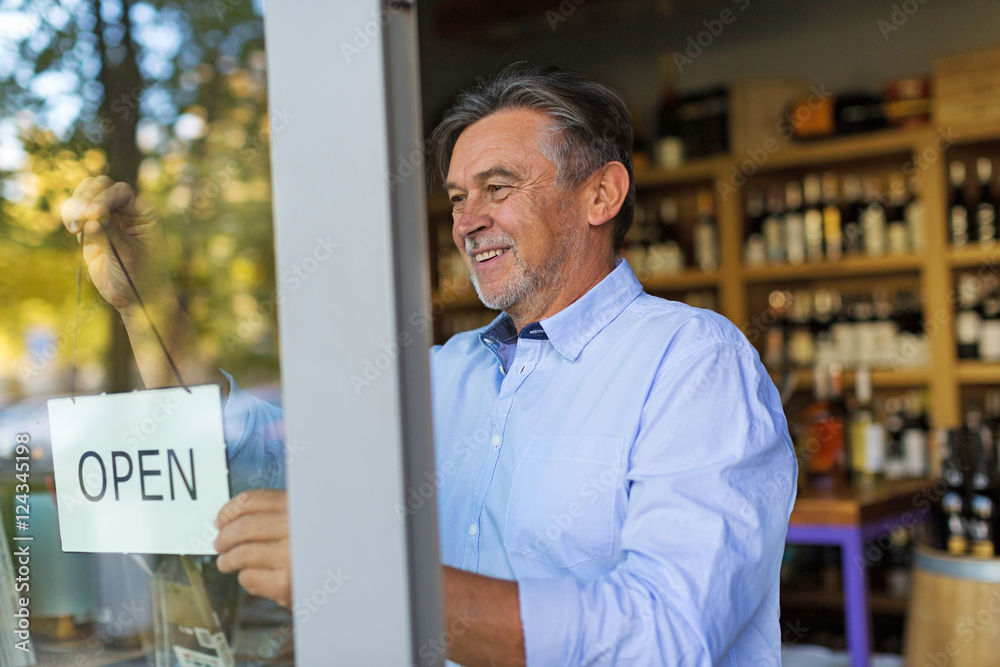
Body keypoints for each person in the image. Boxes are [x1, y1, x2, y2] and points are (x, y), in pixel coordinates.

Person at [63, 63, 796, 666]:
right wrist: (146, 306)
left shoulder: (695, 364)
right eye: (456, 197)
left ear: (600, 193)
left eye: (498, 187)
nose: (466, 220)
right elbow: (251, 455)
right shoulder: (443, 376)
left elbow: (664, 635)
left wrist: (376, 580)